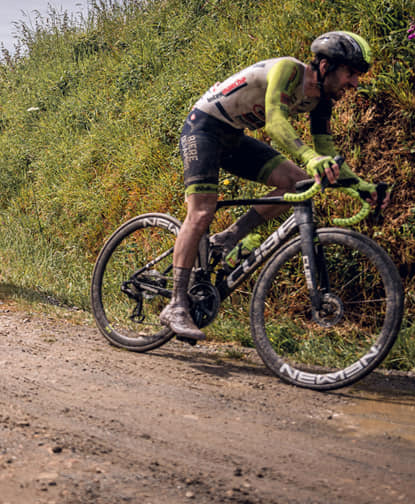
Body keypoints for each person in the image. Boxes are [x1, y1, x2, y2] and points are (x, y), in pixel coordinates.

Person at [163, 31, 388, 340]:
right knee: (202, 212)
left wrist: (363, 186)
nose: (354, 83)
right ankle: (176, 304)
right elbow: (275, 124)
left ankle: (228, 237)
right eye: (351, 73)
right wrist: (310, 157)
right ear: (325, 65)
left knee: (297, 183)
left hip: (234, 138)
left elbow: (326, 151)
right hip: (203, 129)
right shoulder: (288, 70)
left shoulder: (321, 99)